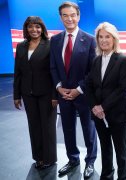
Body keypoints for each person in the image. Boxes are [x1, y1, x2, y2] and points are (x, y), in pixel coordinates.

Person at [50, 1, 97, 178]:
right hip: (64, 95)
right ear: (60, 17)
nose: (69, 19)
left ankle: (90, 161)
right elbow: (53, 67)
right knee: (68, 129)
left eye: (72, 15)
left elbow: (93, 71)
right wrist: (59, 88)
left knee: (88, 129)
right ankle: (73, 159)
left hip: (84, 95)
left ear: (78, 16)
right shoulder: (54, 40)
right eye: (65, 15)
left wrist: (79, 89)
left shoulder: (90, 40)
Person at [86, 22, 126, 180]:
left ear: (114, 39)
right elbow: (89, 85)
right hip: (98, 115)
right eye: (101, 37)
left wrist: (102, 106)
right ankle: (106, 175)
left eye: (107, 36)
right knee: (105, 148)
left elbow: (122, 88)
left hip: (116, 114)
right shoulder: (96, 60)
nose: (104, 40)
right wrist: (94, 107)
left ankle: (122, 177)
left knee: (120, 150)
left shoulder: (123, 59)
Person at [13, 16, 58, 169]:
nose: (34, 30)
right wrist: (16, 95)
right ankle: (38, 157)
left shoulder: (50, 45)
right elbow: (18, 72)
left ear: (42, 29)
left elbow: (54, 72)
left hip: (47, 94)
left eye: (37, 27)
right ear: (26, 29)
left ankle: (49, 158)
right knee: (34, 126)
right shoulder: (21, 46)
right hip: (27, 94)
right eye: (31, 27)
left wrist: (55, 95)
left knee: (48, 126)